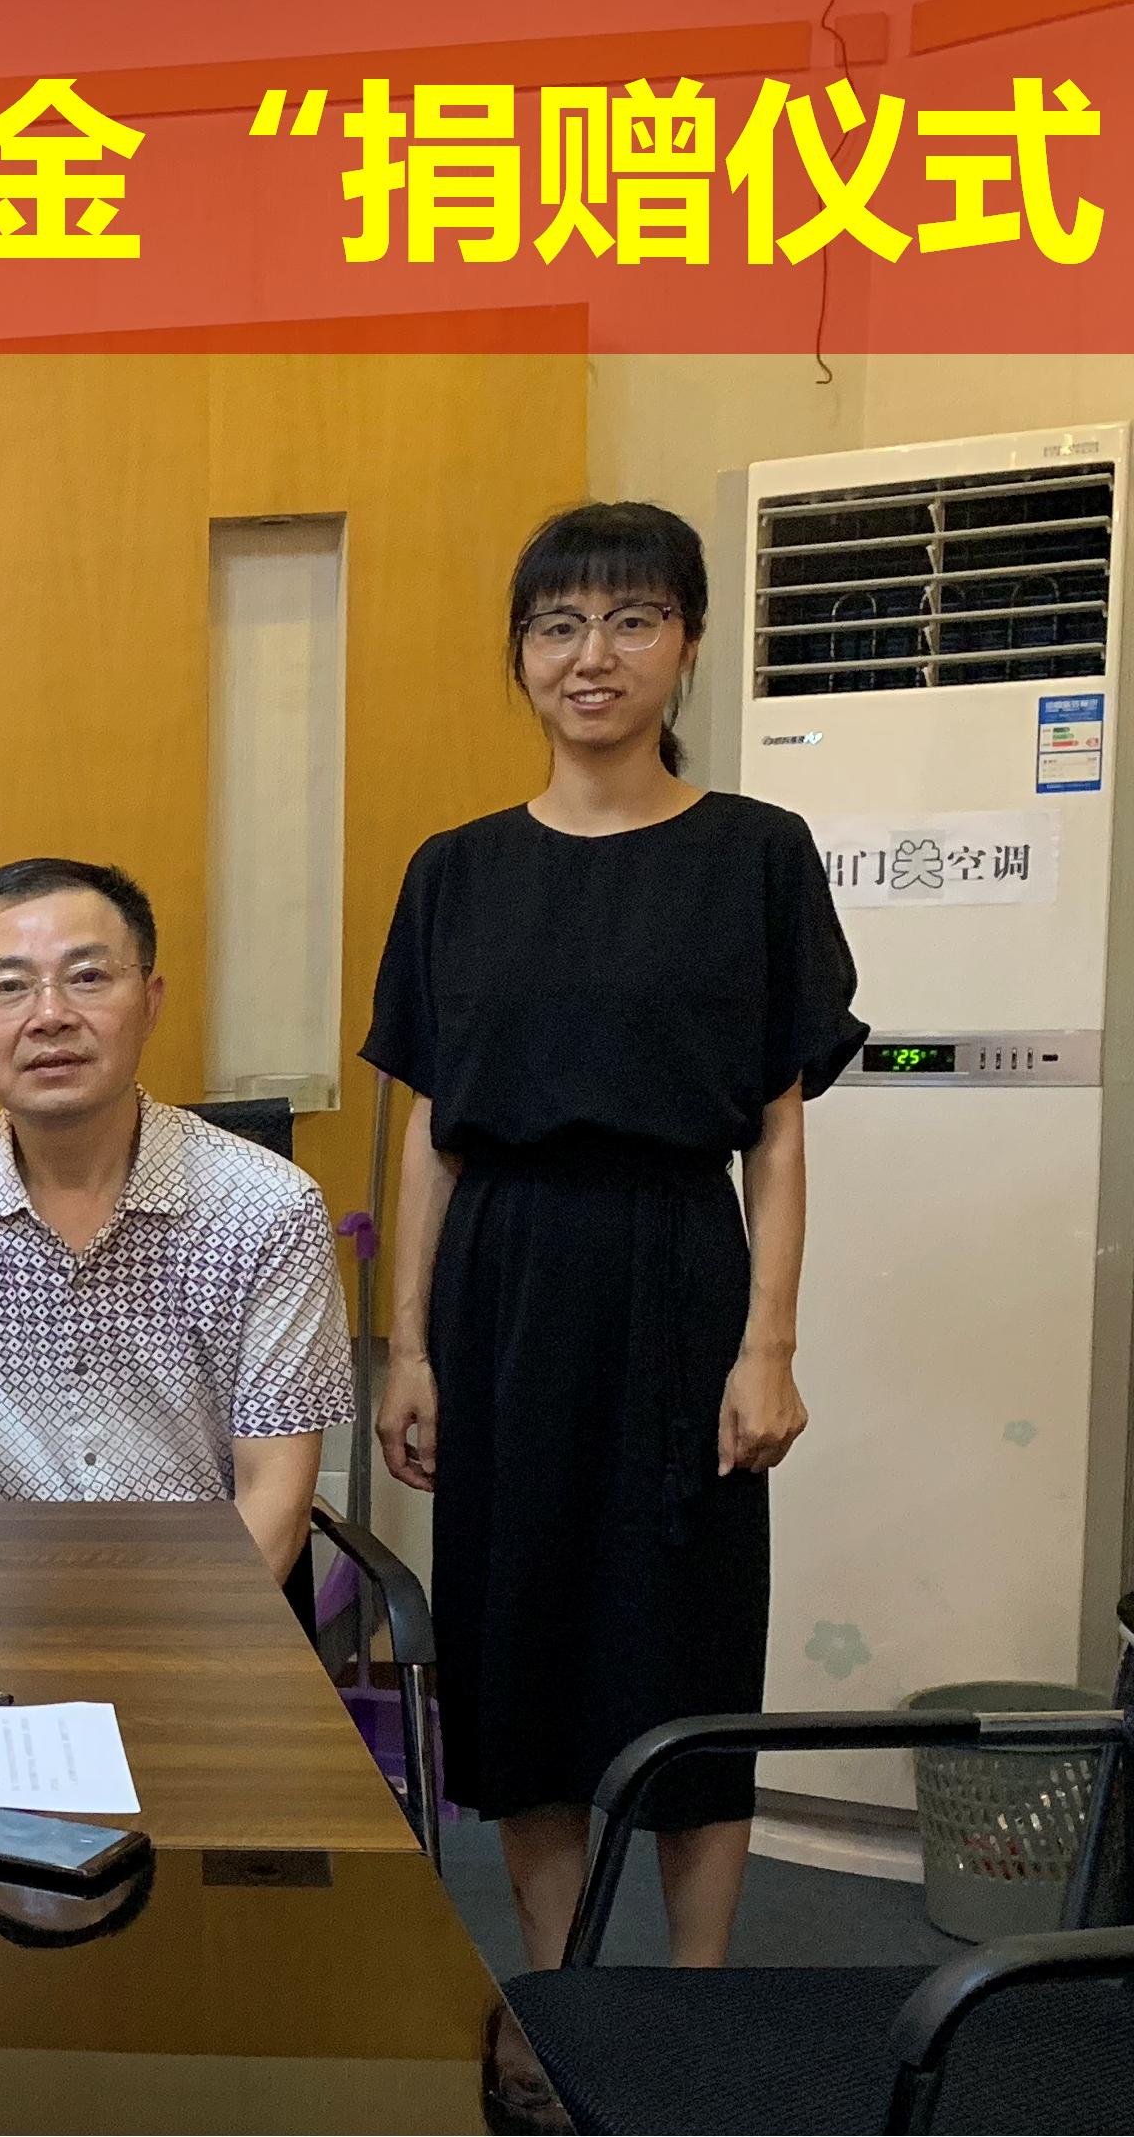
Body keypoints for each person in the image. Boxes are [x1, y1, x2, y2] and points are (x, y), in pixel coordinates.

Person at [363, 501, 860, 2108]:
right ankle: (561, 1998)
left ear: (688, 643)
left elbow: (776, 1127)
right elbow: (430, 1132)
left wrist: (769, 1342)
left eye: (633, 618)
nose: (594, 655)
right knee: (518, 1644)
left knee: (687, 1641)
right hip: (503, 1281)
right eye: (559, 624)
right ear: (520, 653)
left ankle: (693, 2002)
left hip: (679, 1263)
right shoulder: (456, 871)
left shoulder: (758, 853)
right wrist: (410, 1342)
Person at [0, 859, 352, 1584]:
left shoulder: (268, 1209)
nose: (50, 1015)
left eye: (87, 977)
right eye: (9, 987)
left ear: (150, 1002)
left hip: (196, 1604)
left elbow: (275, 1496)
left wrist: (184, 1642)